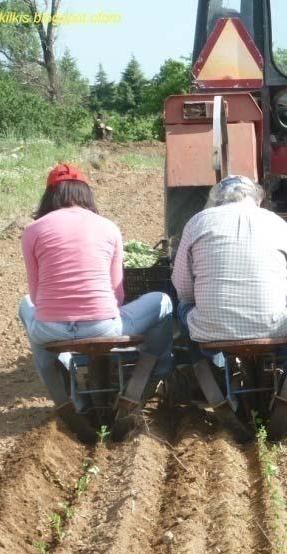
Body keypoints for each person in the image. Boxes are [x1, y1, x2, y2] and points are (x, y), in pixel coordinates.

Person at [18, 163, 173, 413]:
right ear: (86, 194)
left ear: (49, 196)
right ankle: (157, 371)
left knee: (25, 304)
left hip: (50, 330)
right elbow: (117, 293)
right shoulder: (108, 227)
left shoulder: (32, 231)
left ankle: (62, 388)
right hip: (102, 326)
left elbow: (36, 297)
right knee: (163, 301)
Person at [171, 175, 287, 384]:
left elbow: (184, 291)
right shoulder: (276, 222)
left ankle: (210, 378)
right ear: (257, 199)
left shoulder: (197, 222)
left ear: (217, 199)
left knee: (183, 309)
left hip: (207, 328)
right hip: (274, 326)